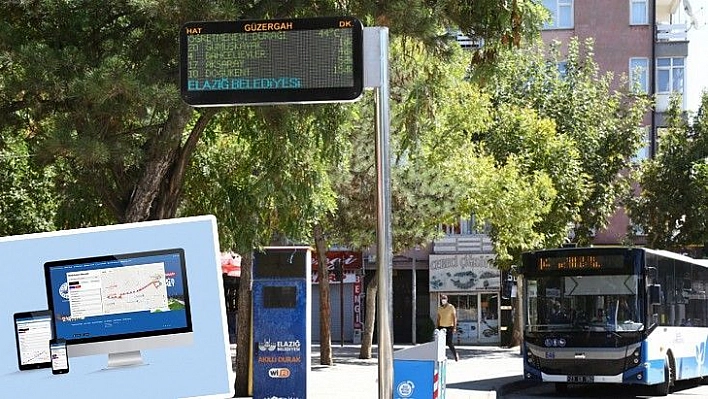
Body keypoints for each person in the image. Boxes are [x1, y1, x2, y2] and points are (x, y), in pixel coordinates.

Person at [436, 294, 460, 361]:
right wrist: (437, 327)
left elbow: (454, 318)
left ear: (447, 300)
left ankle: (455, 355)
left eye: (444, 299)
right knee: (441, 342)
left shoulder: (451, 307)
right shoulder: (439, 308)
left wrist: (455, 327)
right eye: (442, 299)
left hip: (449, 326)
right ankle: (441, 356)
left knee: (449, 342)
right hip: (441, 326)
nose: (443, 300)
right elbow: (438, 318)